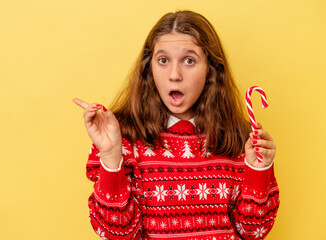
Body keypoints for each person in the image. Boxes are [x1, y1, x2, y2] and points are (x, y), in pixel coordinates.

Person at [73, 10, 279, 240]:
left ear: (211, 70)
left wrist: (258, 171)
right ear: (149, 69)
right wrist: (111, 156)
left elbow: (252, 231)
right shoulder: (123, 138)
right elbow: (118, 234)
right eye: (163, 60)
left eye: (188, 61)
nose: (174, 75)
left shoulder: (240, 141)